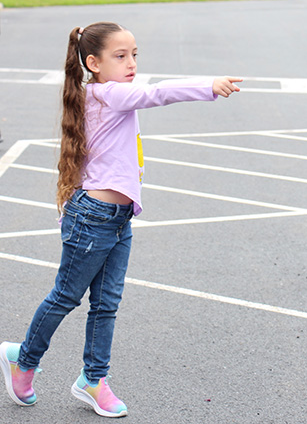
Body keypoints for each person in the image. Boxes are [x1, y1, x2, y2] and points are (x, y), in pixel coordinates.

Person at [0, 22, 241, 418]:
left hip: (117, 217)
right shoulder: (110, 94)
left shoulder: (102, 95)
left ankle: (93, 380)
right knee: (65, 297)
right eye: (120, 56)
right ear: (93, 63)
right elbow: (158, 93)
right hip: (94, 218)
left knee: (106, 304)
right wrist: (208, 84)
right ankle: (22, 360)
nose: (131, 63)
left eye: (134, 55)